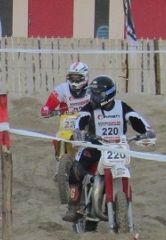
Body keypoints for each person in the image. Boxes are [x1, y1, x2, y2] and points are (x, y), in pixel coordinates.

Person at [64, 75, 156, 221]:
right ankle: (73, 206)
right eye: (92, 93)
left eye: (97, 94)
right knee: (76, 170)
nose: (93, 97)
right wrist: (77, 132)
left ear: (108, 95)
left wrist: (147, 132)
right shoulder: (89, 108)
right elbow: (81, 118)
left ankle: (116, 203)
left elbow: (136, 119)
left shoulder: (122, 107)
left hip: (118, 148)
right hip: (94, 146)